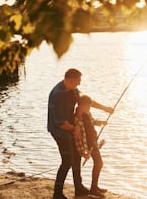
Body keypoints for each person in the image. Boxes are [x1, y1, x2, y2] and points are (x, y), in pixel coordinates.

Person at [47, 68, 113, 199]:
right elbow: (60, 122)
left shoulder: (72, 90)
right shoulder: (58, 94)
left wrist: (105, 109)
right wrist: (74, 129)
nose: (79, 84)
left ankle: (79, 187)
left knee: (75, 158)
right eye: (78, 81)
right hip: (59, 131)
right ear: (70, 80)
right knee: (67, 161)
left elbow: (86, 101)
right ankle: (57, 194)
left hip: (70, 126)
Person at [74, 95, 108, 198]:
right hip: (89, 144)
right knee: (99, 162)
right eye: (88, 106)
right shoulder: (77, 117)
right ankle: (93, 188)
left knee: (99, 163)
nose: (89, 108)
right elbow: (79, 137)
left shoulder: (86, 113)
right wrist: (84, 151)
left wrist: (100, 122)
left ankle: (95, 186)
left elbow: (92, 122)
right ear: (82, 106)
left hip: (93, 141)